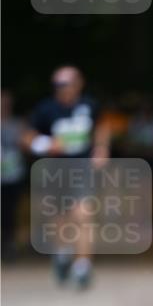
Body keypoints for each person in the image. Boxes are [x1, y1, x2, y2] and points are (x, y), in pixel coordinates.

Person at [23, 67, 110, 288]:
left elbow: (102, 126)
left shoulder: (89, 105)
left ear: (78, 84)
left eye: (66, 84)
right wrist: (44, 144)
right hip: (55, 170)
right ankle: (62, 254)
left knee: (83, 214)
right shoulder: (46, 109)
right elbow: (27, 135)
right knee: (59, 218)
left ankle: (83, 267)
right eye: (58, 85)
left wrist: (101, 148)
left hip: (82, 169)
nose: (62, 89)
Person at [1, 90, 27, 262]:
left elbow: (26, 145)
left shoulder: (18, 124)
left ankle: (8, 244)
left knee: (9, 212)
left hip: (13, 176)